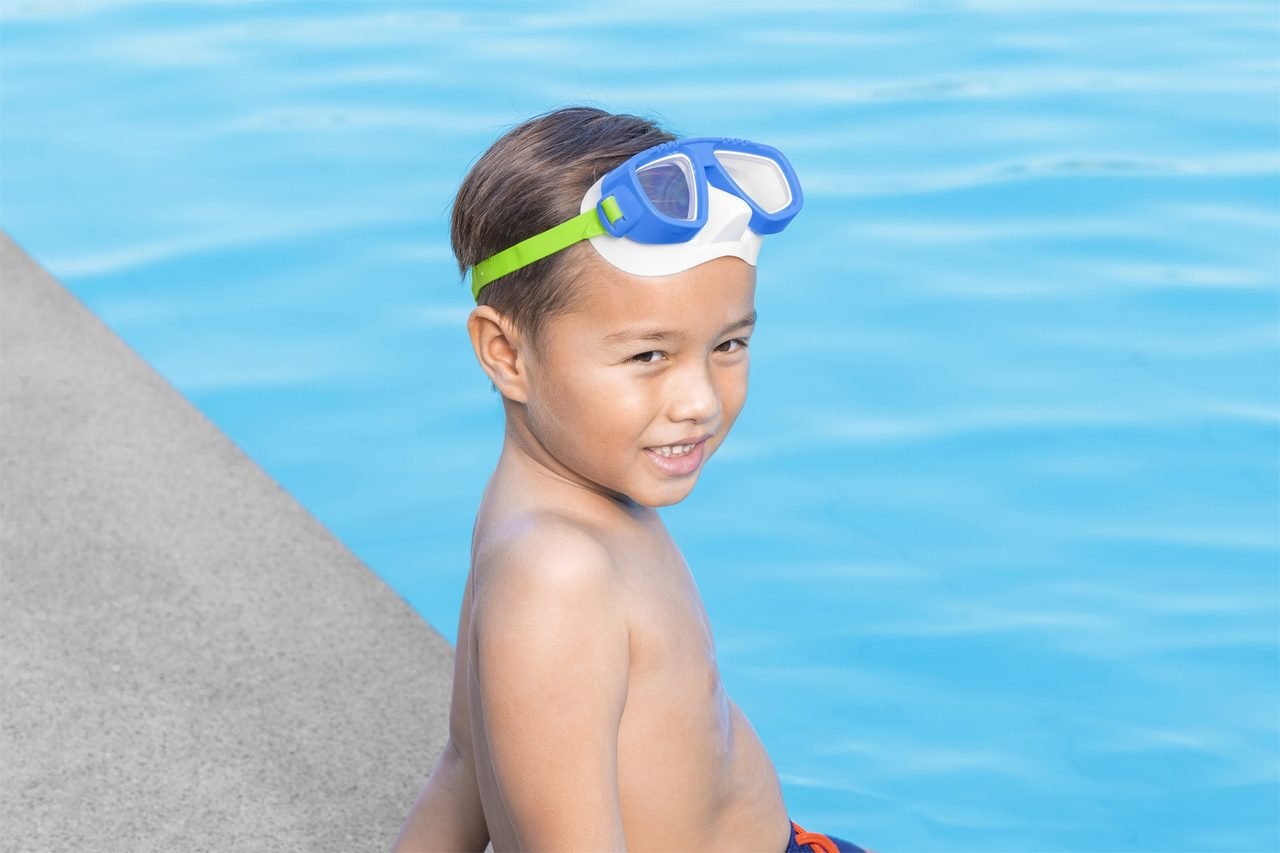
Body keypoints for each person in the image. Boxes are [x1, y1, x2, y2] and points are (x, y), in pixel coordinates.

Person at [391, 105, 879, 853]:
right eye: (648, 356)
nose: (700, 401)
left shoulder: (544, 508)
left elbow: (462, 765)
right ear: (505, 354)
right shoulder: (559, 573)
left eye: (728, 344)